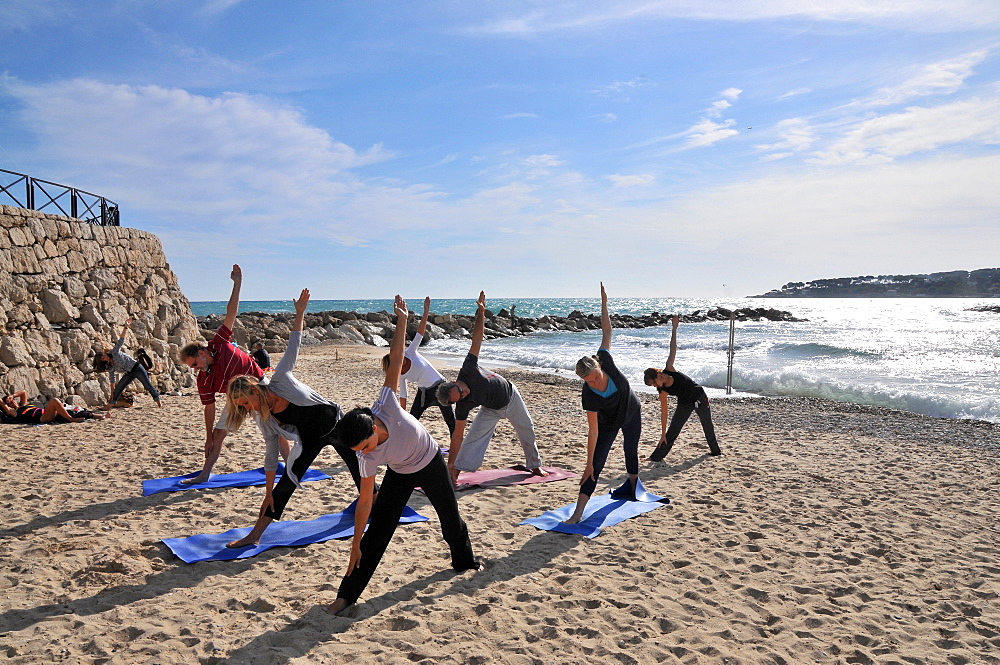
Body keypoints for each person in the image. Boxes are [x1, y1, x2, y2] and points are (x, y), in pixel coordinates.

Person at [328, 295, 480, 614]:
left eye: (365, 446)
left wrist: (402, 321)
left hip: (430, 462)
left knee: (450, 517)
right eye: (359, 452)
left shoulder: (387, 403)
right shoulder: (366, 457)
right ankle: (346, 595)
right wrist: (355, 543)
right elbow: (366, 502)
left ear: (372, 429)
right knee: (378, 531)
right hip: (400, 472)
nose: (365, 454)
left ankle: (465, 563)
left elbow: (396, 358)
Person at [223, 288, 363, 548]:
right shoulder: (265, 417)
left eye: (245, 403)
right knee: (285, 485)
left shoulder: (281, 380)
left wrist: (299, 313)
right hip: (310, 439)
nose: (248, 409)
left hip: (337, 425)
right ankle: (254, 535)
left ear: (254, 390)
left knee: (359, 472)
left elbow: (294, 345)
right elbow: (271, 451)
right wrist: (268, 493)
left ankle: (377, 510)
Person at [179, 265, 288, 485]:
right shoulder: (204, 379)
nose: (195, 368)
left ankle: (293, 470)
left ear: (202, 352)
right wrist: (209, 435)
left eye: (194, 363)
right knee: (218, 436)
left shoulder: (218, 343)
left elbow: (231, 313)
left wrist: (237, 283)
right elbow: (209, 408)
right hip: (236, 396)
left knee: (277, 430)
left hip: (259, 387)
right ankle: (204, 475)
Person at [435, 291, 547, 484]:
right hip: (491, 409)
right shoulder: (463, 404)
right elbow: (457, 437)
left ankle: (534, 464)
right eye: (459, 398)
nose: (464, 395)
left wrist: (481, 312)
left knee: (526, 429)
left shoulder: (468, 369)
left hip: (511, 397)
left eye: (460, 391)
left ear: (455, 382)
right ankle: (455, 473)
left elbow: (477, 339)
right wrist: (450, 465)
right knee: (473, 439)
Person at [564, 283, 643, 524]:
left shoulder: (605, 359)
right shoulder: (588, 394)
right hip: (607, 423)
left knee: (630, 449)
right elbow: (593, 430)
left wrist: (604, 304)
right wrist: (589, 463)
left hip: (631, 412)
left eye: (596, 377)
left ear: (598, 365)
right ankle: (578, 513)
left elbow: (606, 332)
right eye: (588, 381)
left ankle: (633, 488)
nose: (595, 382)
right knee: (595, 465)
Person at [643, 315, 723, 460]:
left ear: (658, 376)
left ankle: (716, 452)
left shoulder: (669, 369)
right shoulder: (662, 391)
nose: (654, 386)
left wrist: (674, 329)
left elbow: (672, 348)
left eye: (653, 382)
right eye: (652, 385)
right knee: (673, 430)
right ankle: (655, 457)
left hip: (699, 397)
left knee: (707, 426)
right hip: (684, 403)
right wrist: (662, 434)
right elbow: (664, 413)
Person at [381, 296, 456, 434]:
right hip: (423, 393)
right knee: (412, 419)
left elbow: (420, 332)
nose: (401, 358)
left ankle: (457, 448)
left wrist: (426, 311)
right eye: (398, 359)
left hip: (440, 386)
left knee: (450, 421)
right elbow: (403, 396)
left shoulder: (410, 352)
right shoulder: (400, 375)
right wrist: (401, 416)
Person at [93, 318, 163, 409]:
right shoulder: (110, 366)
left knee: (148, 385)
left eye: (103, 355)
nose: (104, 357)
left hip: (137, 368)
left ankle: (158, 402)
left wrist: (126, 327)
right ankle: (109, 405)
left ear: (105, 353)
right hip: (129, 373)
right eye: (102, 359)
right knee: (118, 388)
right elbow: (112, 380)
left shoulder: (114, 352)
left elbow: (121, 341)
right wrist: (111, 394)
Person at [1, 391, 110, 424]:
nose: (13, 402)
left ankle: (97, 415)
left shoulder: (23, 405)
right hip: (41, 418)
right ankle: (70, 419)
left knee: (72, 409)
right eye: (10, 402)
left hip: (46, 413)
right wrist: (5, 402)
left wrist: (13, 395)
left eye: (13, 400)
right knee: (54, 401)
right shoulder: (13, 412)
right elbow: (1, 402)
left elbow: (24, 392)